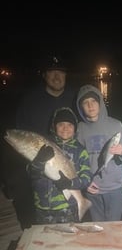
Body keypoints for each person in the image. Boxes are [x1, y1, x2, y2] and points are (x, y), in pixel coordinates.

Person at [9, 55, 78, 229]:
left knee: (71, 216)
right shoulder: (29, 101)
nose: (57, 76)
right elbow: (21, 138)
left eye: (60, 72)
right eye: (51, 72)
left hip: (68, 166)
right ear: (44, 75)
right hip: (39, 167)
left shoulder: (75, 98)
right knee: (39, 218)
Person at [76, 84, 122, 222]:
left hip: (114, 187)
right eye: (85, 102)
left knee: (114, 226)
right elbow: (76, 161)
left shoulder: (116, 124)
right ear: (81, 107)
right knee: (98, 227)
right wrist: (85, 183)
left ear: (100, 102)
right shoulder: (80, 128)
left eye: (94, 101)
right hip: (92, 188)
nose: (90, 105)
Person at [28, 107, 92, 224]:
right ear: (54, 127)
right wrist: (38, 162)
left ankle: (82, 203)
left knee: (67, 241)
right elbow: (30, 173)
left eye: (70, 125)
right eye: (61, 124)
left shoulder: (80, 150)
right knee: (44, 241)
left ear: (75, 128)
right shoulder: (44, 146)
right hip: (42, 206)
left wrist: (70, 183)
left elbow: (87, 178)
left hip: (67, 207)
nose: (65, 128)